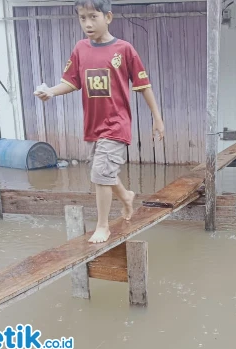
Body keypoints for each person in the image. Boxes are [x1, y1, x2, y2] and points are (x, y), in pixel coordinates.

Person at [34, 0, 165, 244]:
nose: (87, 23)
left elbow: (143, 86)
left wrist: (157, 119)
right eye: (82, 18)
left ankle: (103, 226)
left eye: (93, 17)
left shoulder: (124, 49)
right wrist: (51, 91)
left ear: (108, 17)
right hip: (92, 125)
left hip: (116, 124)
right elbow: (72, 82)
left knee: (101, 172)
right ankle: (126, 197)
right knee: (100, 171)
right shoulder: (80, 49)